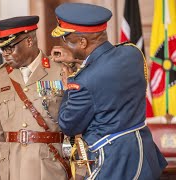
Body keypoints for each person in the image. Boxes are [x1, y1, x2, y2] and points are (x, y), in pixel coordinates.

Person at [50, 3, 168, 180]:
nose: (66, 45)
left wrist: (70, 80)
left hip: (114, 162)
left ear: (83, 42)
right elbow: (105, 68)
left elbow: (69, 125)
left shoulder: (82, 81)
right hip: (144, 155)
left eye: (67, 40)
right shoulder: (132, 53)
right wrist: (76, 59)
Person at [0, 16, 69, 180]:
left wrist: (78, 171)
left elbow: (75, 130)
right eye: (2, 49)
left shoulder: (60, 71)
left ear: (29, 41)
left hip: (50, 168)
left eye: (10, 48)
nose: (5, 54)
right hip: (11, 169)